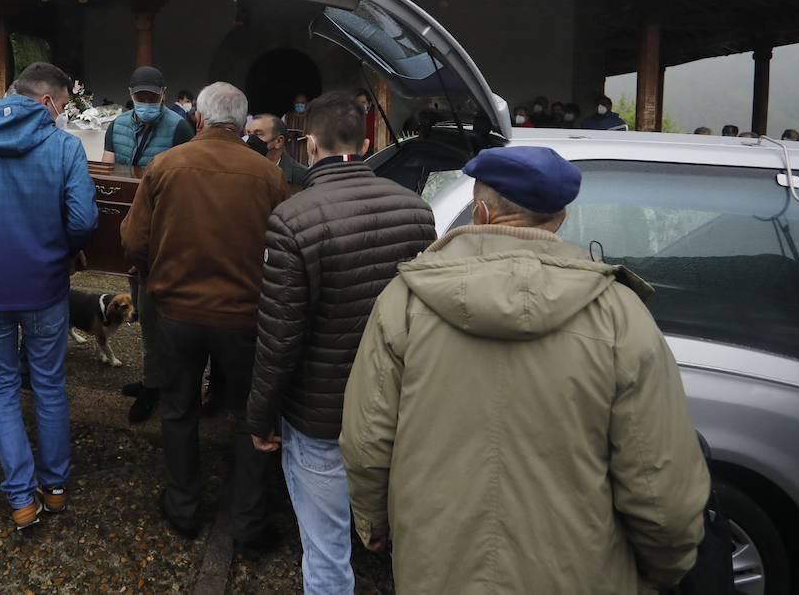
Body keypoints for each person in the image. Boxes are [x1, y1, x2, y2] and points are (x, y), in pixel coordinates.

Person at [341, 145, 709, 593]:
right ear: (560, 218)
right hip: (580, 575)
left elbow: (366, 443)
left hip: (436, 570)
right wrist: (665, 567)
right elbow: (660, 486)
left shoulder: (404, 301)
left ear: (480, 211)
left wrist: (375, 524)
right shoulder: (619, 314)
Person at [246, 92, 435, 594]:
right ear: (367, 141)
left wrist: (260, 416)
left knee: (327, 548)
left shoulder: (294, 219)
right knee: (398, 539)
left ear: (309, 146)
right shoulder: (416, 211)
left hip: (319, 412)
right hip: (394, 405)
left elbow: (279, 336)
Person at [120, 82, 290, 548]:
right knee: (249, 416)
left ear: (199, 118)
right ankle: (248, 520)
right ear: (241, 123)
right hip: (244, 316)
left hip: (177, 312)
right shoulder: (268, 175)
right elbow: (284, 249)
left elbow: (134, 242)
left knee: (178, 411)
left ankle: (184, 508)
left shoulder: (165, 166)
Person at [0, 63, 98, 530]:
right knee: (49, 384)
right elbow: (83, 221)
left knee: (1, 389)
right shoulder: (65, 145)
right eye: (64, 104)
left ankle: (20, 499)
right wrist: (60, 249)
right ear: (50, 101)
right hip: (45, 285)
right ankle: (53, 489)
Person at [101, 65, 195, 423]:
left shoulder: (179, 127)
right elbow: (108, 174)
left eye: (151, 98)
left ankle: (159, 385)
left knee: (158, 315)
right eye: (139, 97)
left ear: (164, 95)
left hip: (164, 234)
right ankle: (151, 379)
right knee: (141, 311)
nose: (145, 103)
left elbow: (186, 183)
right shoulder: (118, 125)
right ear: (131, 93)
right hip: (131, 233)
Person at [247, 113, 309, 189]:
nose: (250, 140)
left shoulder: (302, 177)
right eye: (249, 134)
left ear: (279, 141)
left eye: (258, 134)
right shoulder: (241, 170)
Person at [283, 93, 311, 164]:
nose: (299, 105)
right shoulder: (286, 116)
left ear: (307, 103)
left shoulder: (311, 117)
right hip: (290, 150)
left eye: (302, 103)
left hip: (305, 153)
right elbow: (280, 132)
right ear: (294, 103)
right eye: (297, 103)